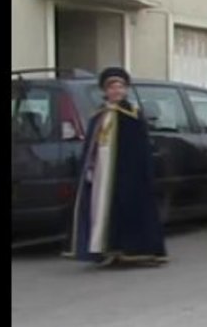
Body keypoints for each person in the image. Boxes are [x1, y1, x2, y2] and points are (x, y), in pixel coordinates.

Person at [64, 67, 167, 266]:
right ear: (105, 90)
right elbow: (92, 146)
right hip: (103, 172)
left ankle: (132, 249)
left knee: (127, 208)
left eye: (120, 87)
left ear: (126, 90)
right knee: (101, 209)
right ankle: (105, 248)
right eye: (112, 88)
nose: (116, 91)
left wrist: (138, 173)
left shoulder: (132, 116)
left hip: (126, 173)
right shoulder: (99, 115)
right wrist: (90, 167)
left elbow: (139, 149)